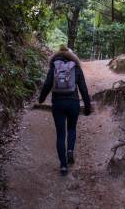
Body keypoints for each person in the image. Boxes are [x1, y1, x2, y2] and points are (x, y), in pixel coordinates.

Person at [38, 45, 92, 176]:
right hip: (73, 103)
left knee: (61, 134)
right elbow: (83, 88)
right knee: (72, 129)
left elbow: (47, 85)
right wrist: (87, 106)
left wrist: (41, 99)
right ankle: (70, 151)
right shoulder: (76, 67)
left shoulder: (54, 66)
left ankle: (63, 166)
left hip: (58, 104)